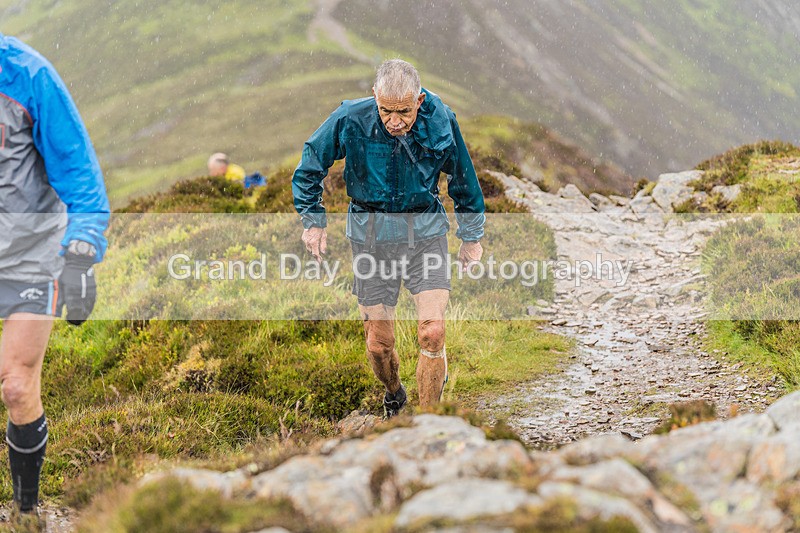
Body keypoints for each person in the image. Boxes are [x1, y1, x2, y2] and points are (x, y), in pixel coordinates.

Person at [293, 59, 485, 418]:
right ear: (374, 97)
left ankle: (429, 422)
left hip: (425, 234)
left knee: (432, 332)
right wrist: (313, 221)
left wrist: (471, 236)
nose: (395, 121)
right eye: (386, 111)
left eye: (404, 112)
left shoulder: (441, 119)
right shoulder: (350, 118)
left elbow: (463, 179)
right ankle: (395, 393)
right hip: (370, 240)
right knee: (379, 345)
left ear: (419, 101)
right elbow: (310, 165)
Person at [1, 32, 110, 522]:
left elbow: (81, 176)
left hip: (32, 254)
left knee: (16, 384)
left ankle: (26, 514)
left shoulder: (28, 75)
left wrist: (81, 255)